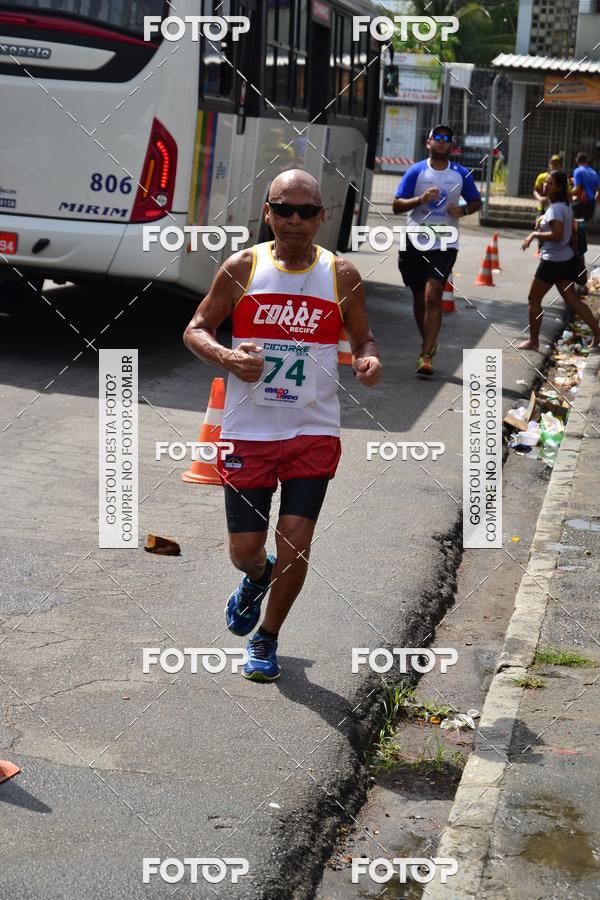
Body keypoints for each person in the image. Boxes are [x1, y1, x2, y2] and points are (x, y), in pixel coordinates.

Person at [183, 170, 381, 682]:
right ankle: (258, 576)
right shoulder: (242, 267)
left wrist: (367, 361)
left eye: (307, 211)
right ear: (267, 211)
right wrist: (227, 356)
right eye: (284, 209)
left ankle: (266, 637)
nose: (295, 220)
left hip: (312, 430)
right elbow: (196, 328)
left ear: (323, 217)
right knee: (244, 550)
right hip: (248, 431)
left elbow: (363, 339)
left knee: (297, 538)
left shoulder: (342, 274)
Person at [392, 124, 482, 376]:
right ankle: (429, 344)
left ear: (451, 146)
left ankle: (425, 354)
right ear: (428, 142)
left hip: (444, 242)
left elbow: (476, 201)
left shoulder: (460, 174)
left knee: (434, 295)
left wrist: (463, 210)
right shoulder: (416, 172)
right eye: (437, 138)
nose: (441, 142)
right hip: (414, 241)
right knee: (419, 298)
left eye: (446, 139)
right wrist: (420, 200)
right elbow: (397, 205)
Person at [517, 169, 600, 351]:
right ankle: (597, 332)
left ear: (559, 187)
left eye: (550, 183)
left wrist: (534, 234)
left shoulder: (556, 208)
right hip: (565, 259)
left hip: (553, 262)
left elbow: (558, 234)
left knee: (534, 299)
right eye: (545, 182)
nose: (545, 185)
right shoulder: (564, 206)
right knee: (572, 300)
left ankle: (533, 341)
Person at [533, 154, 562, 222]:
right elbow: (535, 190)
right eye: (553, 163)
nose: (555, 166)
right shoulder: (542, 177)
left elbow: (568, 196)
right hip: (542, 209)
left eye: (557, 164)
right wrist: (540, 198)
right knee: (539, 226)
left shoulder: (563, 179)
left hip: (557, 210)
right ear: (549, 165)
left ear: (560, 166)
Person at [572, 152, 600, 222]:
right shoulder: (594, 173)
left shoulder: (578, 171)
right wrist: (594, 201)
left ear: (577, 160)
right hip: (591, 203)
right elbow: (599, 189)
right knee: (584, 225)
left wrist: (568, 192)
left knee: (574, 223)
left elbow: (577, 189)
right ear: (587, 161)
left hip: (580, 202)